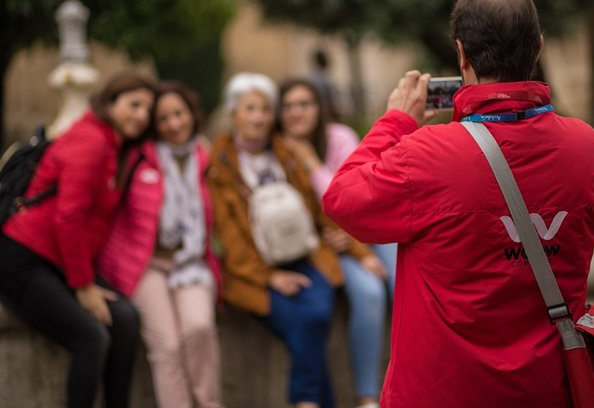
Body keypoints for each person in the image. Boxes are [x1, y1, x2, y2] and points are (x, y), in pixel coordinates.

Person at [322, 0, 594, 408]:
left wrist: (396, 122)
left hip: (439, 393)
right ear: (538, 47)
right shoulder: (589, 151)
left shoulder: (425, 156)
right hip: (546, 390)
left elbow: (342, 201)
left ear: (460, 54)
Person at [207, 72, 372, 408]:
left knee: (316, 312)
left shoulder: (286, 152)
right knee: (306, 324)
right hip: (254, 271)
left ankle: (306, 402)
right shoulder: (220, 164)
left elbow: (319, 207)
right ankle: (308, 402)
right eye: (249, 108)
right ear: (232, 113)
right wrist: (270, 277)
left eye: (266, 109)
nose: (258, 117)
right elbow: (231, 237)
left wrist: (359, 250)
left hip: (308, 257)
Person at [0, 72, 156, 408]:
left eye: (147, 109)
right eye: (134, 104)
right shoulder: (91, 141)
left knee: (125, 319)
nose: (142, 115)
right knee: (91, 337)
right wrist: (83, 286)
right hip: (22, 258)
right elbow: (68, 217)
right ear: (109, 103)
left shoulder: (114, 145)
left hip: (58, 259)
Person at [97, 81, 224, 408]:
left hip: (191, 263)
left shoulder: (206, 158)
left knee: (198, 328)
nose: (174, 124)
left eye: (178, 113)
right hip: (145, 264)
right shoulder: (138, 158)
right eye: (163, 118)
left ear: (192, 114)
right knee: (166, 345)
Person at [277, 77, 396, 408]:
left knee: (406, 279)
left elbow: (352, 195)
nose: (296, 113)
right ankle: (368, 396)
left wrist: (312, 161)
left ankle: (421, 376)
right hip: (331, 245)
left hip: (363, 229)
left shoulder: (339, 137)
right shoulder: (280, 150)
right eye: (288, 106)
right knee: (369, 293)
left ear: (320, 107)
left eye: (304, 104)